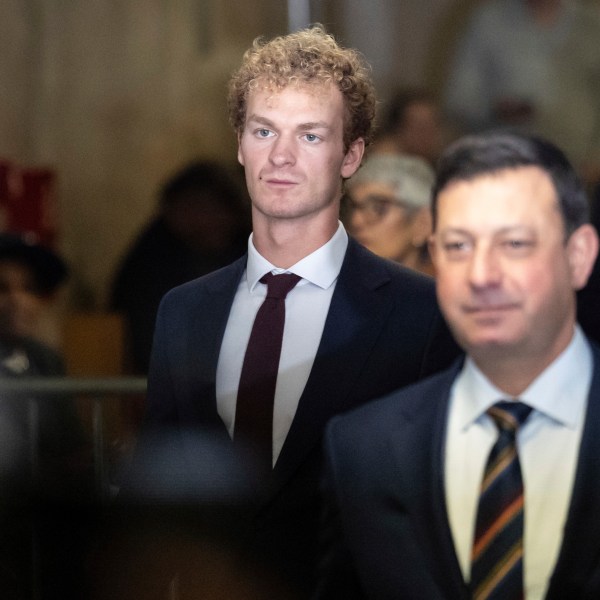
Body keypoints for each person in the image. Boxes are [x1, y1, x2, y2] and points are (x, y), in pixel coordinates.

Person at [134, 24, 460, 598]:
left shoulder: (422, 313)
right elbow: (165, 492)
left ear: (351, 155)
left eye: (310, 136)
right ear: (239, 144)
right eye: (264, 131)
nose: (280, 156)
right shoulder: (183, 312)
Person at [318, 132, 600, 599]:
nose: (482, 275)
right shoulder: (363, 450)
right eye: (458, 246)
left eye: (514, 244)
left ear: (578, 256)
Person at [0, 233, 91, 599]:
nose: (18, 301)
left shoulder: (45, 359)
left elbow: (72, 443)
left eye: (31, 289)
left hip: (49, 524)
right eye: (2, 288)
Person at [110, 160, 251, 374]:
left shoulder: (243, 248)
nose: (218, 219)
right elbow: (143, 331)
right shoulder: (151, 261)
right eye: (202, 208)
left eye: (220, 209)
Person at [443, 0, 600, 184]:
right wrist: (495, 110)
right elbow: (460, 98)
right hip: (505, 169)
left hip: (578, 171)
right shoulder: (489, 21)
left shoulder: (591, 23)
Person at [344, 153, 436, 276]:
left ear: (423, 223)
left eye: (377, 208)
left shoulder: (448, 291)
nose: (356, 221)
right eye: (353, 207)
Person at [371, 87, 444, 166]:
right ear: (398, 129)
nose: (428, 134)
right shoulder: (383, 161)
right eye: (421, 127)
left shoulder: (436, 162)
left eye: (433, 126)